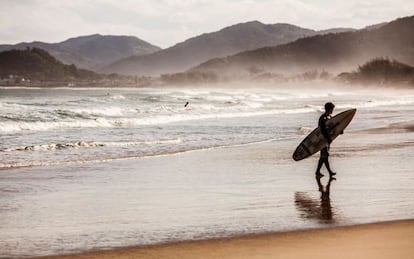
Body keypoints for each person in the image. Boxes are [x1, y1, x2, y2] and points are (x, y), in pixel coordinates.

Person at [316, 102, 336, 177]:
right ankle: (329, 172)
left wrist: (339, 131)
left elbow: (332, 128)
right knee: (325, 156)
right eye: (332, 109)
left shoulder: (329, 117)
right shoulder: (323, 118)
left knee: (324, 156)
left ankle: (318, 172)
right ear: (329, 109)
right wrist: (328, 139)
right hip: (322, 140)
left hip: (327, 140)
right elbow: (323, 130)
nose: (332, 110)